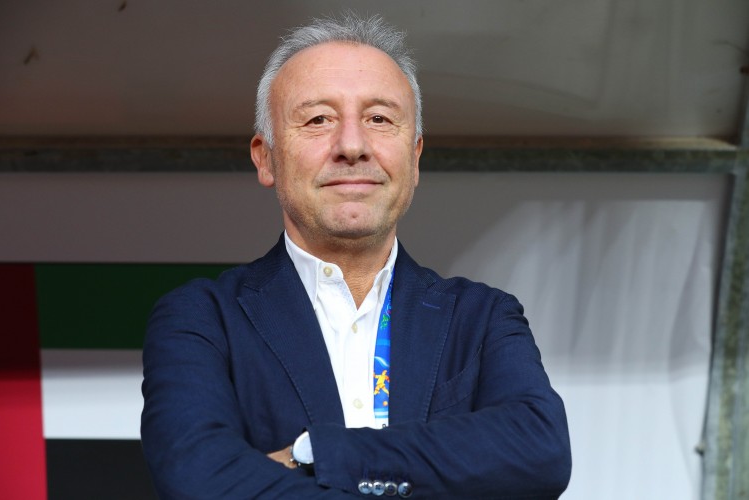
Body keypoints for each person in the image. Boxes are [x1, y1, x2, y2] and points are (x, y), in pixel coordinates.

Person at [141, 13, 571, 499]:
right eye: (318, 119)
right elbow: (200, 479)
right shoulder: (202, 318)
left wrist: (317, 453)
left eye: (379, 119)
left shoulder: (482, 318)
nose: (351, 146)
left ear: (415, 158)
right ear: (266, 158)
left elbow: (541, 451)